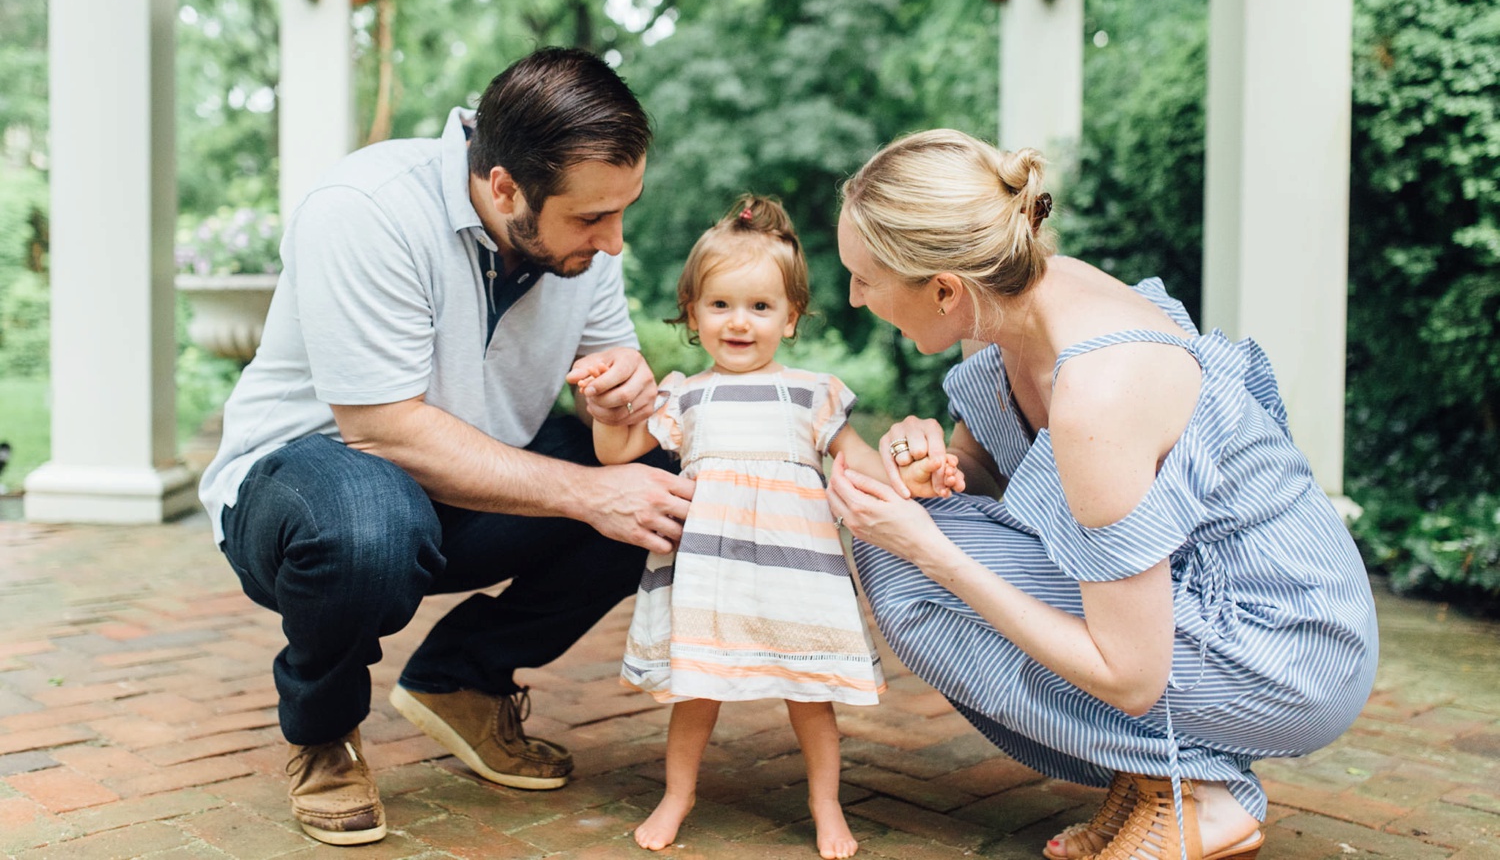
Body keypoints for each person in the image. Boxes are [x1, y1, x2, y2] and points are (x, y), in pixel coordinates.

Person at [826, 129, 1379, 860]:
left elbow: (1129, 674)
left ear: (943, 289)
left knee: (909, 556)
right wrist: (930, 463)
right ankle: (1155, 776)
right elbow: (989, 471)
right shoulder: (1004, 306)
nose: (855, 296)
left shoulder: (1099, 386)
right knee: (901, 529)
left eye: (863, 277)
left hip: (1290, 645)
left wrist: (930, 549)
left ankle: (1197, 791)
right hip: (1190, 600)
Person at [198, 47, 695, 846]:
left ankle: (462, 677)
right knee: (369, 518)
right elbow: (382, 429)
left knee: (665, 481)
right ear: (503, 187)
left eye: (624, 209)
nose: (615, 241)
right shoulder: (364, 208)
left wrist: (623, 388)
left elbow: (611, 432)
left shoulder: (582, 239)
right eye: (594, 217)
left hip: (467, 494)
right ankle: (322, 735)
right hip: (308, 495)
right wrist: (591, 494)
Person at [573, 196, 960, 859]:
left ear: (791, 316)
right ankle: (677, 795)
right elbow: (616, 451)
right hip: (712, 577)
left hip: (794, 574)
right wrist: (604, 402)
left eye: (760, 306)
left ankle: (826, 806)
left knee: (810, 698)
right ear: (692, 312)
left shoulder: (812, 392)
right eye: (720, 304)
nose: (739, 322)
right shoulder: (683, 394)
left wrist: (909, 478)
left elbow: (859, 461)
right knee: (695, 694)